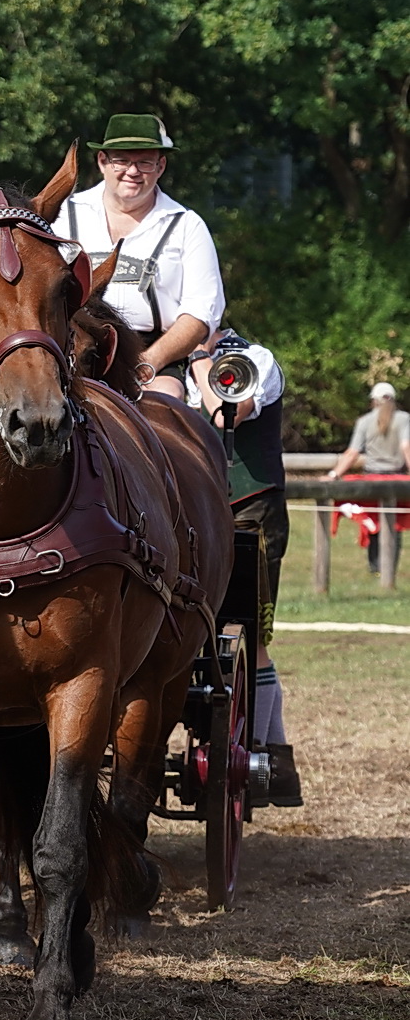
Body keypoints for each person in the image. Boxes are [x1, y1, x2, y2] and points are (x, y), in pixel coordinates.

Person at [187, 328, 301, 804]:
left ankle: (258, 753)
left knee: (248, 632)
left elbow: (229, 409)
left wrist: (196, 359)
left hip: (249, 507)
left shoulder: (255, 357)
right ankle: (274, 755)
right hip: (195, 507)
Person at [53, 114, 225, 397]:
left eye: (144, 162)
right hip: (73, 348)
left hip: (152, 353)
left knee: (166, 401)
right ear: (102, 162)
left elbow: (201, 313)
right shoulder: (64, 216)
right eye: (121, 160)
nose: (132, 171)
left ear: (161, 166)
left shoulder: (186, 224)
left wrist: (147, 364)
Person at [325, 381, 410, 576]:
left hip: (371, 480)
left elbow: (352, 452)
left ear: (373, 401)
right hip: (396, 480)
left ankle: (375, 567)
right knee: (393, 525)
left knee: (373, 523)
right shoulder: (404, 419)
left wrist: (333, 474)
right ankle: (389, 569)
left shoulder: (364, 421)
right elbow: (406, 447)